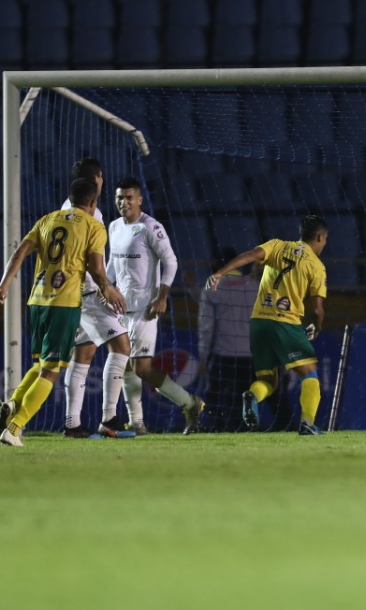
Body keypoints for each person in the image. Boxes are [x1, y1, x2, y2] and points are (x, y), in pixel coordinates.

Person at [0, 179, 125, 447]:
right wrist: (108, 289)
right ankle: (15, 428)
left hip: (37, 301)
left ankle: (14, 402)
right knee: (51, 372)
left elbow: (20, 252)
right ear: (93, 202)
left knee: (41, 365)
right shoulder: (94, 227)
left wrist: (3, 285)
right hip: (64, 304)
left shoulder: (47, 219)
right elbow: (97, 269)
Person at [205, 215, 330, 435]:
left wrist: (220, 272)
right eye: (325, 239)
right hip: (286, 323)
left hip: (259, 324)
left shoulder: (277, 245)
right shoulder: (316, 266)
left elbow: (250, 256)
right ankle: (307, 424)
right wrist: (317, 325)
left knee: (268, 380)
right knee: (309, 376)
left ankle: (252, 396)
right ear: (320, 237)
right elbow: (317, 309)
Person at [107, 176, 204, 435]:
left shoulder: (151, 227)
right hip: (120, 308)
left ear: (139, 199)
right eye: (119, 197)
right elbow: (112, 265)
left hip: (145, 308)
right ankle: (136, 423)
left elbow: (170, 261)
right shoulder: (114, 227)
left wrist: (161, 297)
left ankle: (191, 403)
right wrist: (105, 288)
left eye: (129, 197)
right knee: (124, 363)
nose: (124, 202)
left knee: (142, 367)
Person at [59, 157, 134, 439]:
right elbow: (93, 261)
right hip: (89, 292)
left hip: (70, 293)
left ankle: (72, 424)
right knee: (122, 347)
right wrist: (107, 289)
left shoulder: (66, 208)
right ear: (97, 179)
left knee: (84, 355)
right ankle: (109, 420)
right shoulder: (93, 216)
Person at [197, 247, 259, 432]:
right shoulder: (254, 286)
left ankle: (215, 427)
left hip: (222, 354)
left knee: (214, 396)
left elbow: (206, 327)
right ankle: (243, 429)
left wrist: (202, 356)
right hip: (249, 353)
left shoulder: (212, 287)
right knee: (244, 395)